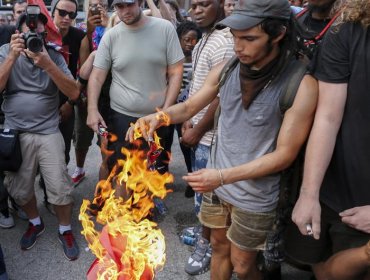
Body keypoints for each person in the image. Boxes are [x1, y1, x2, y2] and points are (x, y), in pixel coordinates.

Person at [128, 0, 318, 278]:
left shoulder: (301, 85)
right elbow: (190, 107)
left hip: (255, 196)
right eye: (235, 37)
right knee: (217, 245)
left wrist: (221, 177)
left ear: (278, 34)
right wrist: (157, 117)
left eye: (249, 38)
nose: (238, 46)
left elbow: (284, 155)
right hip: (218, 185)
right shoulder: (227, 68)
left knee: (243, 264)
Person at [289, 0, 370, 279]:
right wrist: (309, 194)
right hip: (335, 189)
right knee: (321, 267)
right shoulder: (347, 28)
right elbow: (328, 116)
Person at [0, 11, 80, 260]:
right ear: (17, 34)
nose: (34, 39)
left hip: (48, 130)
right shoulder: (5, 52)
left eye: (39, 35)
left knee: (60, 187)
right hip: (16, 131)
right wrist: (12, 57)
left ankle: (65, 229)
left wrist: (47, 64)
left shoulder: (53, 55)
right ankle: (36, 222)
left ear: (46, 35)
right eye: (28, 34)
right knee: (19, 189)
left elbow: (75, 93)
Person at [86, 0, 184, 204]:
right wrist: (92, 109)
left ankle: (143, 212)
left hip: (157, 117)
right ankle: (122, 216)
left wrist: (165, 112)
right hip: (122, 116)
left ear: (140, 2)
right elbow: (96, 76)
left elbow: (176, 72)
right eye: (119, 7)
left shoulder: (164, 28)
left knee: (151, 169)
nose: (124, 11)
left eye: (129, 5)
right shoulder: (111, 36)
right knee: (121, 169)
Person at [179, 0, 234, 275]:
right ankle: (205, 231)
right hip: (197, 131)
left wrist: (199, 129)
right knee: (203, 197)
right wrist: (188, 119)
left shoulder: (226, 40)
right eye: (193, 5)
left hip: (212, 137)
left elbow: (221, 95)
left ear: (220, 4)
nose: (197, 10)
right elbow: (197, 88)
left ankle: (208, 245)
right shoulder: (204, 38)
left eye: (204, 4)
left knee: (210, 197)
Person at [70, 0, 109, 186]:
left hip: (108, 95)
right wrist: (89, 31)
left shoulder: (116, 23)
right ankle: (79, 168)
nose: (97, 7)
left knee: (105, 138)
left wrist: (108, 25)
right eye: (93, 3)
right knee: (82, 135)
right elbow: (83, 61)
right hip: (84, 93)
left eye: (101, 3)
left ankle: (106, 170)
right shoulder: (79, 28)